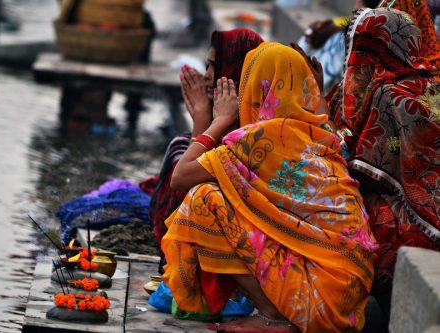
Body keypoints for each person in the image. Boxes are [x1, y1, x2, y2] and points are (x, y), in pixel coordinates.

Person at [162, 42, 377, 332]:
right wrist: (315, 86)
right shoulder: (325, 135)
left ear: (256, 89)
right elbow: (323, 117)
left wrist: (220, 120)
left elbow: (181, 177)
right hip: (346, 304)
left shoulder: (260, 138)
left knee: (202, 198)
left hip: (311, 304)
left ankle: (271, 316)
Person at [328, 7, 440, 314]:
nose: (356, 61)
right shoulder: (431, 82)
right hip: (432, 211)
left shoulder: (387, 93)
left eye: (363, 50)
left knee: (344, 208)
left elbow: (364, 170)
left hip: (417, 225)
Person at [149, 28, 264, 272]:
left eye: (215, 66)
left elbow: (183, 183)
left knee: (193, 177)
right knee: (179, 144)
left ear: (239, 70)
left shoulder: (254, 134)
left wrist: (203, 121)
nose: (208, 77)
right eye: (207, 66)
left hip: (243, 248)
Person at [296, 0, 381, 93]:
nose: (353, 19)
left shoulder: (370, 69)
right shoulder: (325, 33)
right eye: (354, 13)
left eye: (358, 15)